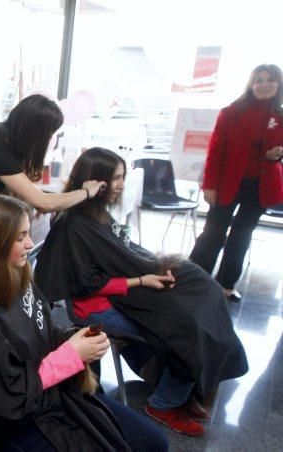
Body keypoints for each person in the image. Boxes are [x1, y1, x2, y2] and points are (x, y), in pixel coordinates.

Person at [0, 193, 168, 451]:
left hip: (55, 397)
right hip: (23, 419)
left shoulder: (19, 278)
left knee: (154, 441)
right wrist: (70, 355)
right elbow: (7, 399)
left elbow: (41, 328)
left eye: (28, 233)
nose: (31, 243)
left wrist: (72, 339)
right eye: (20, 237)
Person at [35, 148, 248, 437]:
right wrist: (142, 280)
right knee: (185, 327)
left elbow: (120, 253)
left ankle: (187, 386)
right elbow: (87, 283)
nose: (122, 184)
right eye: (117, 178)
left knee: (205, 292)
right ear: (97, 182)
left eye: (122, 176)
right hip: (97, 307)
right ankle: (164, 402)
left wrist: (156, 268)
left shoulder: (97, 214)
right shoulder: (74, 225)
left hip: (123, 293)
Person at [190, 64, 283, 302]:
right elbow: (215, 152)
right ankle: (194, 279)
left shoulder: (281, 116)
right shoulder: (231, 112)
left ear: (278, 84)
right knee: (213, 233)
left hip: (261, 185)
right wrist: (209, 185)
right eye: (258, 80)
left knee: (242, 235)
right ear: (251, 84)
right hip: (226, 182)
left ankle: (226, 284)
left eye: (270, 80)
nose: (263, 85)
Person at [0, 94, 105, 213]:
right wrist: (86, 192)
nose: (51, 138)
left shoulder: (3, 135)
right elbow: (43, 203)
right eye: (49, 133)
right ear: (35, 132)